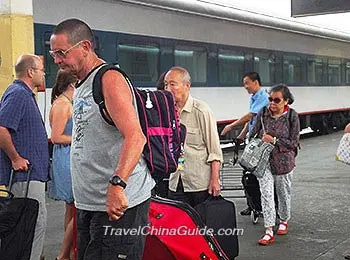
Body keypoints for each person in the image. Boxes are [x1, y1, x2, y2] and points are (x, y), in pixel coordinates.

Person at [50, 18, 155, 260]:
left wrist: (117, 185)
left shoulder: (109, 79)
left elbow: (135, 137)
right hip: (90, 204)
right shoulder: (81, 84)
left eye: (61, 53)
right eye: (53, 53)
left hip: (118, 207)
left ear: (85, 47)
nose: (56, 60)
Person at [0, 54, 49, 260]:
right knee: (31, 224)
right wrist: (15, 158)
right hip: (24, 177)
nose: (44, 74)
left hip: (31, 175)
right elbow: (2, 128)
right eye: (41, 70)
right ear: (30, 72)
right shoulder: (18, 94)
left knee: (32, 224)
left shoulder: (24, 94)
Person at [164, 66, 223, 207]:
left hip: (198, 183)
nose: (167, 89)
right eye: (166, 84)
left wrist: (215, 180)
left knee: (200, 226)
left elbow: (214, 150)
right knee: (178, 227)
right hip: (175, 181)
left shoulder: (201, 111)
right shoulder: (166, 111)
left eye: (172, 84)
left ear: (187, 85)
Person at [249, 84, 300, 245]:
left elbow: (294, 142)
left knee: (283, 193)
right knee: (266, 194)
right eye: (270, 99)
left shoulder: (292, 116)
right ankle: (269, 230)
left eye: (276, 100)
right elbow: (252, 134)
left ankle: (284, 220)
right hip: (263, 162)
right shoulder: (263, 113)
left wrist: (275, 140)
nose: (272, 103)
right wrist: (256, 140)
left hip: (284, 162)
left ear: (286, 101)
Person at [221, 72, 269, 216]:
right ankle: (252, 204)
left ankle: (259, 206)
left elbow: (250, 115)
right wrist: (242, 135)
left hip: (260, 142)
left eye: (247, 83)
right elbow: (251, 120)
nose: (245, 86)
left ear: (255, 82)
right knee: (247, 173)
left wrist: (231, 126)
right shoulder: (254, 97)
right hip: (252, 139)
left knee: (255, 174)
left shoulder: (263, 97)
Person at [49, 69, 76, 260]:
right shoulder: (62, 105)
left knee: (72, 208)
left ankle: (70, 252)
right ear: (73, 84)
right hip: (66, 159)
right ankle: (64, 254)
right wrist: (80, 137)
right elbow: (56, 137)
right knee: (77, 208)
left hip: (69, 157)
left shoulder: (66, 103)